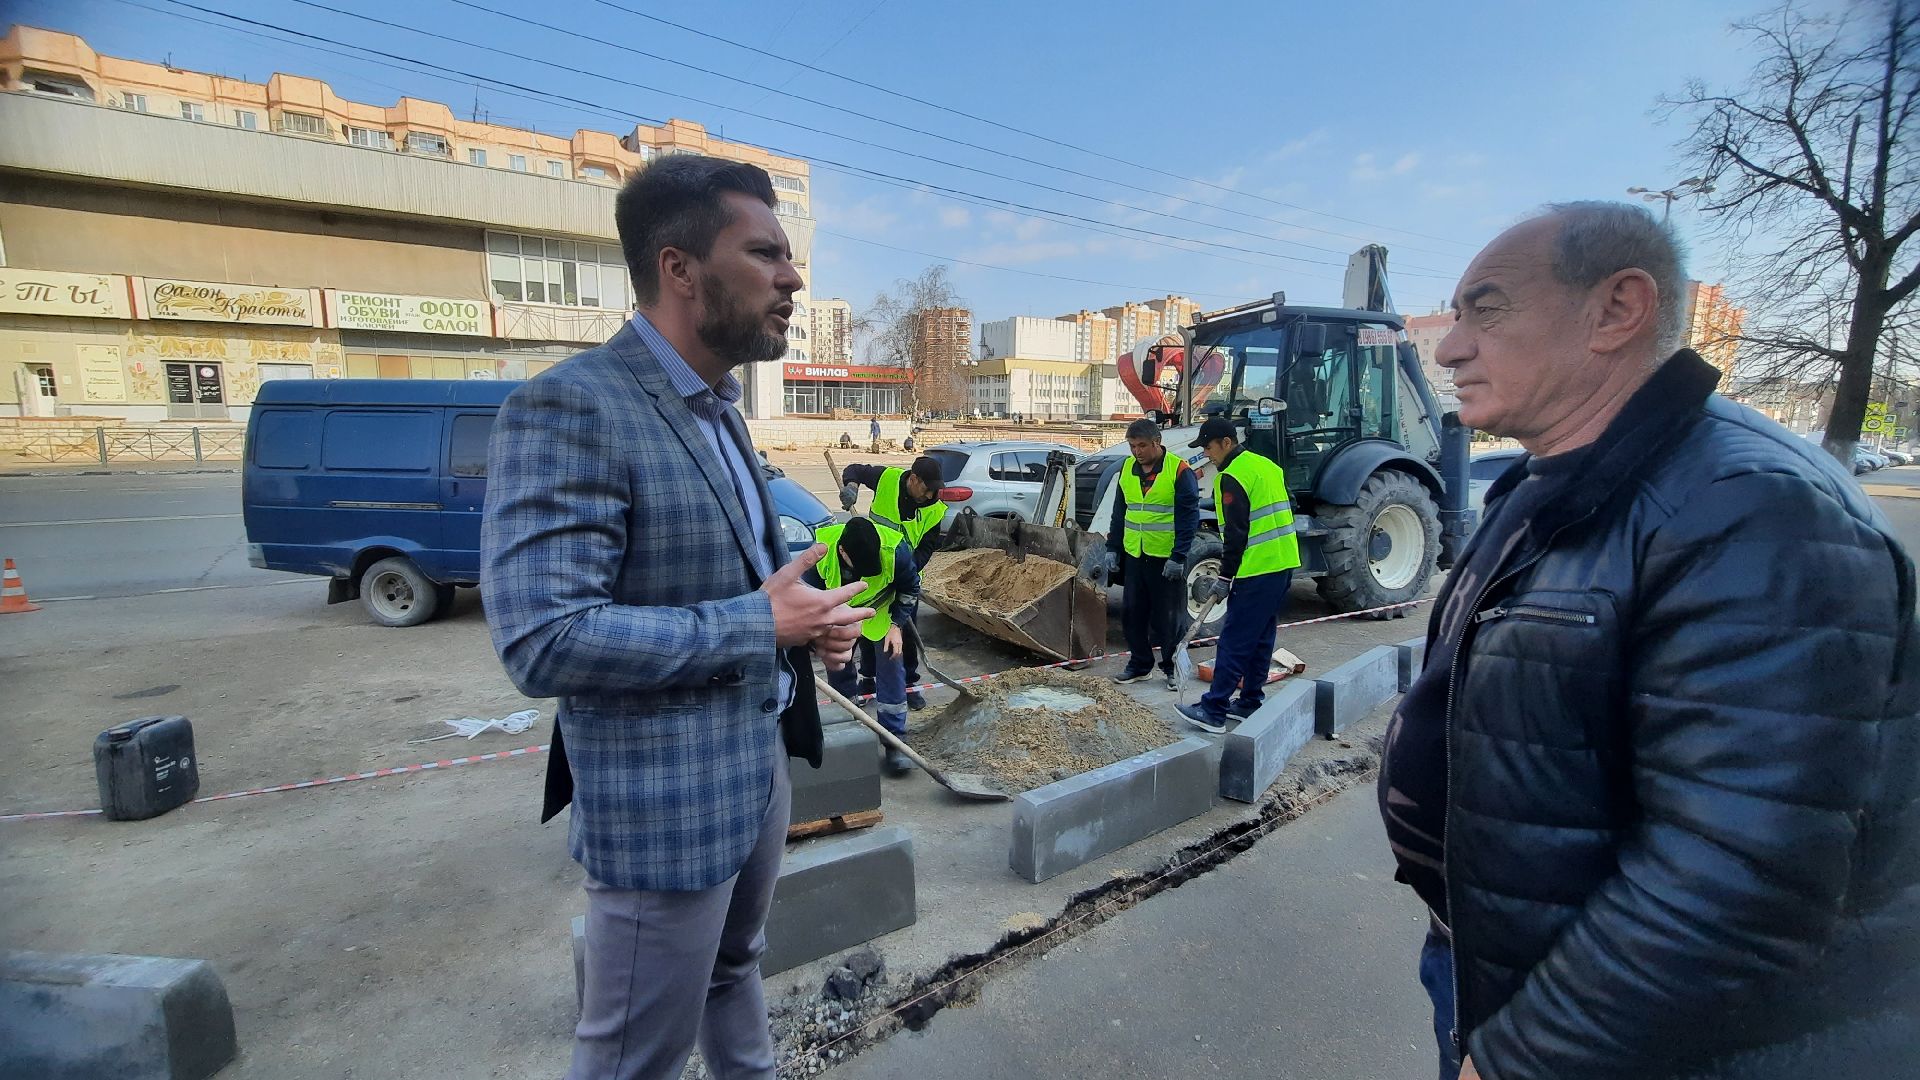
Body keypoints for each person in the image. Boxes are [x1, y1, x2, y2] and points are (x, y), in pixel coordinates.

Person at [1378, 202, 1920, 1080]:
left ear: (1617, 310)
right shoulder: (1548, 485)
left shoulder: (1751, 513)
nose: (1447, 349)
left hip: (1620, 1039)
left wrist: (1526, 1056)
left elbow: (1738, 878)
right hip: (1504, 965)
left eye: (1488, 309)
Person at [482, 155, 872, 1080]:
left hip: (754, 776)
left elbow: (734, 585)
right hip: (664, 812)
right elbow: (544, 639)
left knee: (736, 971)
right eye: (765, 252)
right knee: (632, 1059)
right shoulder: (574, 405)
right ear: (680, 269)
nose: (794, 277)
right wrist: (758, 625)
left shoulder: (719, 413)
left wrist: (805, 620)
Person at [1174, 416, 1298, 733]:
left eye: (1208, 446)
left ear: (1226, 443)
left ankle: (1214, 710)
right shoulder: (1266, 466)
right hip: (1283, 563)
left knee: (1235, 639)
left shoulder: (1232, 476)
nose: (1206, 453)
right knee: (1260, 638)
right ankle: (1248, 702)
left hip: (1257, 568)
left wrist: (1226, 576)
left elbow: (1236, 535)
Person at [808, 515, 920, 775]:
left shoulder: (895, 550)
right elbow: (807, 594)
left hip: (880, 612)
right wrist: (816, 633)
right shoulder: (820, 551)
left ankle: (894, 741)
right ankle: (847, 729)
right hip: (839, 614)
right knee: (837, 664)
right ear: (843, 551)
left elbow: (910, 588)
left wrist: (896, 626)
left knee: (891, 666)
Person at [839, 455, 948, 709]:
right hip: (874, 571)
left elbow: (927, 547)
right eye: (927, 487)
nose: (931, 494)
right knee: (869, 629)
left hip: (905, 576)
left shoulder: (934, 508)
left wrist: (905, 572)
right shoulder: (885, 478)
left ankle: (909, 685)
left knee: (905, 634)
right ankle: (868, 679)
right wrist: (851, 487)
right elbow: (854, 468)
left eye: (935, 489)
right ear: (913, 479)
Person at [1104, 417, 1200, 690]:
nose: (1137, 452)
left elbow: (1188, 517)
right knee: (1133, 613)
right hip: (1136, 554)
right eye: (1132, 446)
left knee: (1168, 618)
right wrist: (1113, 547)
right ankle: (1139, 664)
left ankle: (1171, 669)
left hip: (1165, 558)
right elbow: (1119, 512)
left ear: (1158, 442)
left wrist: (1179, 556)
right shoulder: (1127, 469)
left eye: (1142, 445)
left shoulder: (1179, 471)